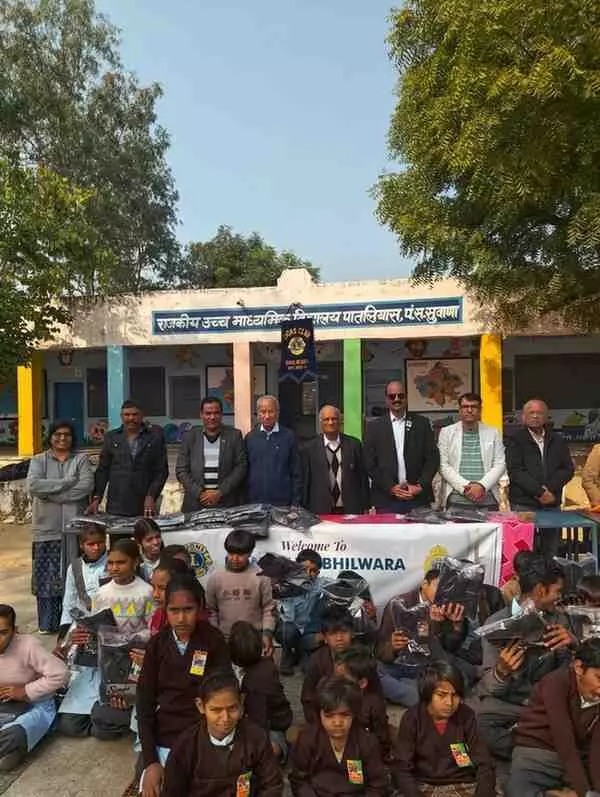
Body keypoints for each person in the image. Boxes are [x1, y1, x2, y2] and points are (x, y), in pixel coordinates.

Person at [137, 572, 231, 797]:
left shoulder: (213, 640)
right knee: (152, 784)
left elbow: (223, 696)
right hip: (165, 735)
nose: (181, 618)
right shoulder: (157, 645)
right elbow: (144, 704)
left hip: (205, 733)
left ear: (200, 607)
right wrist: (151, 761)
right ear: (165, 610)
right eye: (174, 610)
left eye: (188, 609)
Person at [474, 555, 576, 761]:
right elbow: (489, 688)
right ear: (540, 590)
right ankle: (533, 745)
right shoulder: (496, 623)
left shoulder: (559, 620)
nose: (559, 597)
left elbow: (569, 673)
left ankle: (532, 743)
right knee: (475, 719)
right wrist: (501, 672)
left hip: (546, 703)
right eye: (557, 591)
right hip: (510, 704)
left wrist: (574, 645)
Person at [57, 538, 153, 740]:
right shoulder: (101, 593)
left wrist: (127, 638)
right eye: (111, 563)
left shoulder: (146, 592)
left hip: (134, 662)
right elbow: (96, 627)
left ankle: (121, 713)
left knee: (107, 724)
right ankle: (107, 712)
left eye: (121, 562)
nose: (114, 568)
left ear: (136, 562)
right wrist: (84, 634)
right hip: (106, 663)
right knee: (70, 726)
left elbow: (152, 629)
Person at [161, 671, 283, 797]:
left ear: (241, 702)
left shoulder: (256, 738)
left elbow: (272, 785)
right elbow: (172, 792)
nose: (225, 718)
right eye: (216, 710)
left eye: (232, 708)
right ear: (200, 706)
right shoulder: (186, 745)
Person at [507, 637, 600, 797]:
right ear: (579, 667)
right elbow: (564, 739)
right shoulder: (556, 683)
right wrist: (584, 793)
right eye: (599, 678)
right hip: (538, 754)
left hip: (578, 758)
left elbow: (596, 749)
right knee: (518, 791)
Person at [26, 419, 94, 633]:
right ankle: (48, 624)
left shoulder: (81, 460)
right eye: (58, 434)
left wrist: (53, 495)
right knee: (46, 577)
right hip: (46, 529)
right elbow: (33, 485)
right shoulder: (39, 460)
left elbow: (86, 486)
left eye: (67, 434)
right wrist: (66, 482)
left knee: (76, 576)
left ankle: (73, 623)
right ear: (51, 437)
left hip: (75, 528)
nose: (62, 438)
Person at [393, 661, 495, 797]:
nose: (449, 703)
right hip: (421, 784)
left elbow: (483, 761)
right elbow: (402, 767)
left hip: (461, 782)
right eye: (441, 695)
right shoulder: (412, 718)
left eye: (455, 695)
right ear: (428, 694)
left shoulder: (466, 716)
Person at [290, 676, 389, 796]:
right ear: (319, 714)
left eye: (345, 715)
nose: (337, 723)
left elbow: (377, 784)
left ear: (354, 714)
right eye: (329, 716)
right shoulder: (307, 740)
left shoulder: (367, 742)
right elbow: (299, 780)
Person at [0, 604, 68, 772]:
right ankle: (12, 751)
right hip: (4, 706)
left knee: (14, 734)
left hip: (34, 704)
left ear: (14, 631)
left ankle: (16, 746)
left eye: (3, 633)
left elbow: (60, 674)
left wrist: (25, 691)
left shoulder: (28, 646)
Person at [376, 569, 450, 707]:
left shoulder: (446, 607)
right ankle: (417, 695)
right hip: (397, 665)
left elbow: (447, 649)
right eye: (438, 587)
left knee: (454, 675)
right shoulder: (398, 604)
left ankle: (417, 692)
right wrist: (392, 647)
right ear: (424, 584)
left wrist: (438, 626)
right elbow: (380, 650)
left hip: (426, 668)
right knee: (376, 673)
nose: (442, 593)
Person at [363, 379, 439, 513]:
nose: (397, 399)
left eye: (401, 395)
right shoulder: (374, 427)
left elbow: (432, 458)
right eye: (392, 396)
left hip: (417, 498)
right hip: (386, 499)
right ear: (386, 399)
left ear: (406, 398)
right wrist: (391, 487)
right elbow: (369, 463)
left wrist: (420, 486)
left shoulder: (422, 423)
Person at [87, 399, 168, 518]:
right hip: (117, 504)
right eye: (127, 415)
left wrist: (151, 495)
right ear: (121, 416)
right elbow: (103, 470)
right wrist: (96, 498)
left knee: (145, 530)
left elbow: (161, 471)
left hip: (146, 504)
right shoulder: (111, 437)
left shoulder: (154, 437)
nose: (131, 418)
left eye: (135, 414)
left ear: (142, 415)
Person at [228, 621, 292, 760]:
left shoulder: (260, 678)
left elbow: (260, 721)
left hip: (270, 726)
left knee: (269, 750)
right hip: (245, 719)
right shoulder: (263, 664)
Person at [205, 529, 275, 652]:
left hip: (254, 639)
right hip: (225, 639)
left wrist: (267, 633)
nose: (235, 559)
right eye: (231, 553)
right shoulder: (216, 578)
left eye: (241, 555)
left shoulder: (261, 577)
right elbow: (211, 610)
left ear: (250, 553)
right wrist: (215, 634)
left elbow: (269, 608)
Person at [175, 396, 247, 511]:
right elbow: (181, 470)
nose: (212, 417)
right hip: (195, 503)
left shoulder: (234, 435)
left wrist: (220, 492)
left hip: (226, 503)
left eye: (216, 413)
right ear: (201, 415)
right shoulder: (190, 437)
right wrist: (200, 494)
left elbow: (241, 467)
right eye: (208, 413)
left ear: (221, 414)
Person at [438, 393, 506, 510]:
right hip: (457, 498)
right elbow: (443, 465)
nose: (469, 410)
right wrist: (467, 487)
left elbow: (500, 464)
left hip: (487, 498)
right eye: (465, 406)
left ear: (480, 410)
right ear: (459, 410)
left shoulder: (493, 432)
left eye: (474, 407)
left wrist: (481, 486)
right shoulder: (446, 432)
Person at [301, 404, 370, 514]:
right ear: (320, 422)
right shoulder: (309, 449)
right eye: (326, 419)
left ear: (340, 421)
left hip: (351, 510)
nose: (330, 422)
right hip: (320, 511)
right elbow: (305, 482)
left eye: (334, 419)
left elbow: (362, 478)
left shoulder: (354, 445)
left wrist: (366, 506)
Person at [506, 399, 574, 511]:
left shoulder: (558, 440)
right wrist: (540, 492)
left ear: (546, 417)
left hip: (552, 501)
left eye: (539, 413)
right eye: (531, 413)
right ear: (523, 417)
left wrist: (549, 489)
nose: (535, 416)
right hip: (524, 503)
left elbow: (567, 469)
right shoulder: (515, 440)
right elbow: (515, 471)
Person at [334, 645, 392, 762]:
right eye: (335, 677)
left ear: (362, 683)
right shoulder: (332, 694)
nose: (335, 683)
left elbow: (381, 739)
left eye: (342, 680)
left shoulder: (374, 705)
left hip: (359, 754)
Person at [244, 394, 302, 507]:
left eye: (271, 411)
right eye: (263, 412)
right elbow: (245, 471)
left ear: (277, 413)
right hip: (255, 503)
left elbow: (297, 472)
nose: (267, 416)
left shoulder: (289, 437)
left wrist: (295, 503)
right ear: (258, 413)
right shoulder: (250, 438)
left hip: (283, 503)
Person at [301, 606, 355, 723]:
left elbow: (373, 695)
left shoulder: (361, 657)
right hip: (326, 717)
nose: (339, 638)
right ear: (325, 638)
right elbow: (308, 698)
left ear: (352, 633)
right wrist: (317, 723)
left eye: (344, 632)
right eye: (333, 634)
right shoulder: (316, 660)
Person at [275, 548, 324, 676]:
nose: (308, 574)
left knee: (309, 670)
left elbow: (337, 586)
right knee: (287, 631)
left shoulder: (320, 584)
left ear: (318, 572)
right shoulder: (287, 585)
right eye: (303, 569)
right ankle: (287, 653)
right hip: (290, 627)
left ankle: (301, 651)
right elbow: (287, 618)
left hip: (309, 631)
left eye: (313, 571)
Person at [57, 523, 108, 641]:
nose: (96, 548)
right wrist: (63, 633)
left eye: (100, 543)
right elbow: (69, 602)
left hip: (110, 625)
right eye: (91, 544)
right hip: (84, 625)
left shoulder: (113, 563)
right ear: (82, 545)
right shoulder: (74, 567)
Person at [149, 555, 192, 635]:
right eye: (153, 587)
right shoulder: (158, 614)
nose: (155, 594)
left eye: (162, 588)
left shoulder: (190, 622)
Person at [134, 518, 163, 582]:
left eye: (158, 537)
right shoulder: (135, 565)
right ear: (139, 542)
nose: (155, 542)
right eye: (149, 540)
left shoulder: (169, 560)